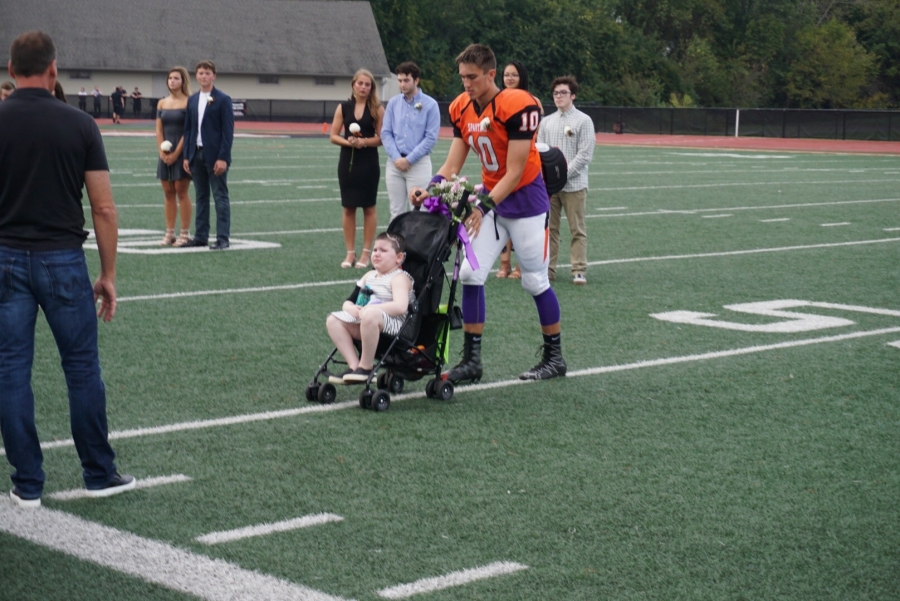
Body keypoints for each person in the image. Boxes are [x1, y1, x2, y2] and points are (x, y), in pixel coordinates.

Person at [0, 30, 135, 508]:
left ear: (12, 70)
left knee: (11, 370)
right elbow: (103, 209)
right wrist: (109, 274)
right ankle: (98, 472)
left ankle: (27, 484)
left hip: (6, 258)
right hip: (62, 258)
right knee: (81, 369)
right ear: (53, 69)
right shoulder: (79, 124)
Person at [410, 43, 567, 382]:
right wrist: (431, 187)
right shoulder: (461, 107)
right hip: (493, 203)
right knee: (469, 274)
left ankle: (555, 357)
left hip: (525, 203)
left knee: (535, 280)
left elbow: (515, 170)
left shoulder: (517, 104)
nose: (466, 84)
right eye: (463, 77)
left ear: (491, 74)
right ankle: (472, 360)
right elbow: (454, 161)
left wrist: (482, 205)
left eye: (473, 77)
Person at [325, 232, 414, 384]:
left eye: (383, 251)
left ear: (399, 258)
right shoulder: (369, 276)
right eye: (375, 250)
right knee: (333, 320)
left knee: (371, 314)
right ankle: (354, 366)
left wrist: (372, 310)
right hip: (366, 321)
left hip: (395, 327)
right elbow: (349, 302)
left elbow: (400, 307)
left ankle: (366, 367)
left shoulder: (400, 278)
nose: (377, 254)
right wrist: (352, 308)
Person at [538, 75, 595, 285]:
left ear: (573, 95)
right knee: (549, 230)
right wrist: (549, 178)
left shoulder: (583, 120)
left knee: (577, 229)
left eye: (563, 93)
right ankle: (548, 270)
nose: (558, 97)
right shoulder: (547, 122)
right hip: (550, 187)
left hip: (574, 185)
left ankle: (578, 270)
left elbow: (585, 154)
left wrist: (562, 174)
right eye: (555, 93)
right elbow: (540, 150)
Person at [330, 68, 384, 269]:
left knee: (369, 207)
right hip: (347, 162)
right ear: (353, 84)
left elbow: (381, 138)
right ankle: (350, 253)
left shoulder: (377, 108)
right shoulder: (343, 108)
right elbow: (333, 136)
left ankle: (366, 253)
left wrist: (364, 142)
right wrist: (350, 142)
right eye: (360, 83)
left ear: (372, 88)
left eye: (367, 84)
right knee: (348, 207)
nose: (363, 87)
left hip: (368, 162)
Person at [496, 61, 543, 280]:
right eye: (506, 75)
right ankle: (504, 264)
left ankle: (520, 266)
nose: (510, 78)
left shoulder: (532, 102)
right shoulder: (494, 102)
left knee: (522, 221)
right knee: (501, 216)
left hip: (523, 166)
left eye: (514, 75)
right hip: (500, 167)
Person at [182, 60, 234, 250]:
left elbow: (227, 132)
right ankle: (201, 236)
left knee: (220, 196)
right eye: (200, 73)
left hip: (214, 156)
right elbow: (188, 130)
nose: (203, 76)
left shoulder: (223, 99)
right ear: (196, 76)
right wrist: (187, 155)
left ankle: (222, 238)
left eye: (207, 73)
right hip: (196, 155)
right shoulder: (192, 99)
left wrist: (223, 158)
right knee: (201, 196)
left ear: (214, 76)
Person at [380, 62, 440, 223]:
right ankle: (397, 248)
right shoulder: (393, 103)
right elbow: (386, 132)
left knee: (420, 211)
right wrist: (397, 158)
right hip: (395, 164)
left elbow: (430, 138)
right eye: (399, 80)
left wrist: (409, 160)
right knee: (396, 211)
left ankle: (419, 248)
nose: (402, 84)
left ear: (416, 80)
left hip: (418, 164)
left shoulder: (430, 105)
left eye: (406, 80)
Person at [156, 67, 193, 247]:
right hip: (165, 154)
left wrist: (177, 153)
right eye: (170, 78)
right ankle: (169, 232)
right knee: (168, 193)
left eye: (176, 78)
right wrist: (161, 152)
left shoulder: (189, 102)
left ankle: (184, 233)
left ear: (183, 81)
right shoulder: (162, 103)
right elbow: (158, 129)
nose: (172, 81)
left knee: (181, 192)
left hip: (182, 152)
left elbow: (188, 131)